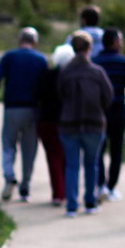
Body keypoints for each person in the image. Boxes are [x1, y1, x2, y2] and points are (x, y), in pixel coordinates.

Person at [0, 27, 48, 203]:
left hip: (12, 109)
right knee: (29, 149)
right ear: (35, 42)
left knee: (8, 144)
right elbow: (46, 86)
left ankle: (9, 175)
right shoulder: (41, 59)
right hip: (33, 110)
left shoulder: (9, 57)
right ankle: (25, 187)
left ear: (20, 40)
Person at [56, 31, 113, 217]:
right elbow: (108, 97)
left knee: (72, 166)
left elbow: (60, 95)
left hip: (69, 124)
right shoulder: (97, 72)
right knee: (92, 164)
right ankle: (90, 202)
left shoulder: (65, 72)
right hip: (94, 124)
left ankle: (72, 206)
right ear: (89, 49)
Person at [93, 29, 125, 201]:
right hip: (118, 111)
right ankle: (111, 186)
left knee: (99, 149)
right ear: (114, 42)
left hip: (100, 111)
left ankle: (100, 185)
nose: (121, 43)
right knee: (117, 150)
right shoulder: (124, 62)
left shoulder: (95, 61)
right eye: (120, 40)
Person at [34, 43, 74, 207]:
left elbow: (37, 96)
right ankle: (65, 191)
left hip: (47, 121)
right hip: (66, 122)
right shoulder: (71, 78)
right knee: (66, 158)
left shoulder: (46, 75)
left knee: (53, 157)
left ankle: (58, 193)